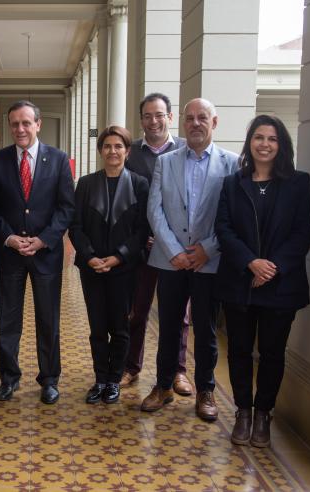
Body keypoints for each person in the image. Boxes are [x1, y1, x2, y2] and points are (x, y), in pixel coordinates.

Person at [215, 115, 310, 447]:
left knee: (272, 353)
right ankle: (243, 412)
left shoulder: (299, 183)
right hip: (239, 282)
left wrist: (270, 268)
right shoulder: (232, 183)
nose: (265, 144)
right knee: (240, 351)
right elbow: (224, 229)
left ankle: (263, 415)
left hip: (281, 286)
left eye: (272, 139)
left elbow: (303, 232)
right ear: (250, 143)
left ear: (281, 145)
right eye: (259, 137)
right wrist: (250, 263)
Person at [141, 98, 238, 421]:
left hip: (209, 261)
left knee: (207, 330)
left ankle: (206, 390)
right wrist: (175, 252)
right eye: (190, 118)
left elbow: (232, 218)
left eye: (202, 118)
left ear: (214, 122)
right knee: (167, 326)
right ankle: (163, 385)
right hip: (171, 261)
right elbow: (154, 210)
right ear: (181, 122)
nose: (195, 123)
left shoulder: (231, 164)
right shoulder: (165, 162)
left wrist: (207, 249)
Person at [0, 101, 75, 405]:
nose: (20, 129)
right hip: (9, 254)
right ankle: (8, 378)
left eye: (26, 123)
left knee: (48, 320)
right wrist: (8, 237)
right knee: (8, 322)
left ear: (38, 125)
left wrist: (44, 239)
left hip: (45, 255)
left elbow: (66, 208)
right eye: (14, 124)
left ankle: (49, 379)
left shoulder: (59, 160)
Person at [69, 126, 149, 404]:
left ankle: (115, 379)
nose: (112, 151)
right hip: (91, 267)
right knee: (97, 326)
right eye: (107, 146)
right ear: (100, 150)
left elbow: (142, 230)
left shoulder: (139, 184)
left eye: (118, 146)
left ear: (127, 151)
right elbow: (75, 226)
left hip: (124, 268)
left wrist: (118, 257)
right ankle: (100, 378)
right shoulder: (87, 183)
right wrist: (90, 256)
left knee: (120, 326)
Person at [124, 93, 192, 397]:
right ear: (141, 121)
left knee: (179, 314)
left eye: (159, 115)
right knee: (136, 311)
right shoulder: (131, 154)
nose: (154, 121)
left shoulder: (186, 151)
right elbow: (127, 202)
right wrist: (143, 236)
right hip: (143, 248)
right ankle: (131, 366)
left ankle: (178, 371)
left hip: (177, 250)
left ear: (170, 117)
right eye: (148, 116)